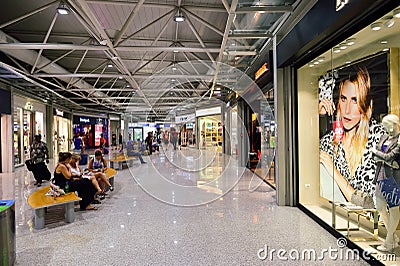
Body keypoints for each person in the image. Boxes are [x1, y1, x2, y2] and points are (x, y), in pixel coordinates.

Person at [319, 66, 384, 202]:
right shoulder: (328, 143)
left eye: (355, 100)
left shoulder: (379, 140)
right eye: (343, 99)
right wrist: (315, 118)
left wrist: (334, 172)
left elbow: (371, 204)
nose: (347, 110)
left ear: (366, 106)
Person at [372, 114, 400, 252]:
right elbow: (378, 155)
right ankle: (393, 237)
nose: (383, 127)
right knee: (380, 206)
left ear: (393, 124)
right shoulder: (384, 137)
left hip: (392, 178)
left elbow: (391, 157)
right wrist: (381, 157)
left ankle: (388, 242)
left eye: (385, 124)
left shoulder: (399, 139)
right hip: (380, 175)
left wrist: (378, 154)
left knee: (393, 208)